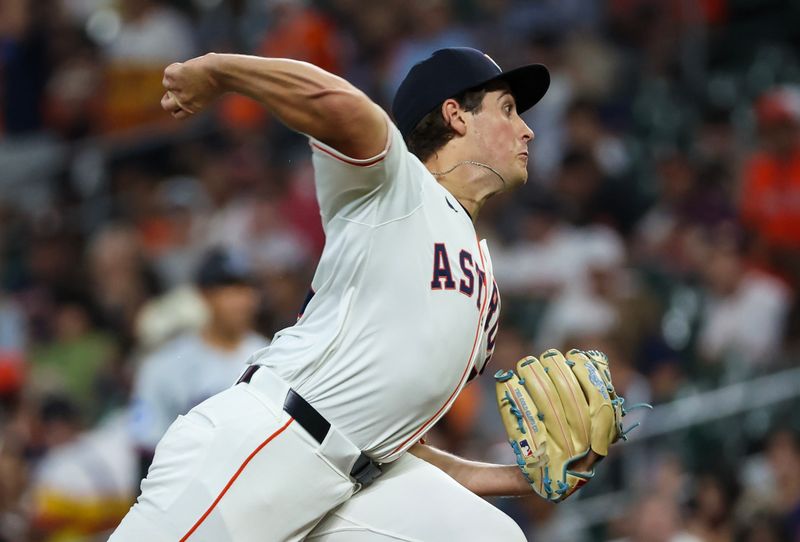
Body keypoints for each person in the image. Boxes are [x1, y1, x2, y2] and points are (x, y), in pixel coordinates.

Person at [111, 47, 599, 541]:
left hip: (354, 481)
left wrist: (521, 479)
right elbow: (338, 103)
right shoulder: (395, 185)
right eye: (508, 109)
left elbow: (397, 442)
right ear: (455, 115)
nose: (528, 129)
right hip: (268, 441)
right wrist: (218, 71)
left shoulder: (485, 287)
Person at [129, 248, 268, 478]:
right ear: (205, 295)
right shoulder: (164, 365)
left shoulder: (270, 356)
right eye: (230, 289)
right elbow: (145, 445)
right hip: (185, 482)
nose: (242, 300)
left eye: (247, 289)